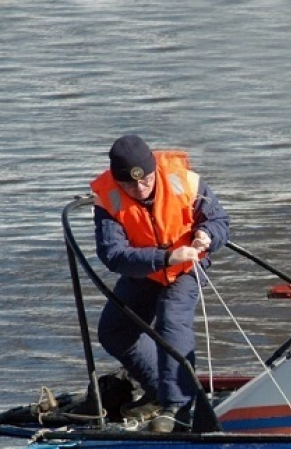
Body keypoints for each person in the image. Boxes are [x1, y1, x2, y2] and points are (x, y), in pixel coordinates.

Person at [91, 134, 230, 432]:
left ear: (154, 169)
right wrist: (164, 257)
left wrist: (207, 235)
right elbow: (113, 254)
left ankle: (178, 407)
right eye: (130, 185)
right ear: (117, 181)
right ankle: (158, 389)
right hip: (145, 269)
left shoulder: (186, 182)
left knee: (171, 321)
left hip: (186, 270)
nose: (140, 189)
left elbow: (219, 221)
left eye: (146, 181)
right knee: (114, 331)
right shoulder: (108, 198)